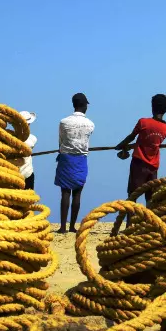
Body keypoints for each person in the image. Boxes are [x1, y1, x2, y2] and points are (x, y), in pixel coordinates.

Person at [115, 94, 166, 212]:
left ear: (152, 107)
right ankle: (148, 224)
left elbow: (131, 137)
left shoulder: (143, 122)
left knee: (132, 195)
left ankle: (129, 226)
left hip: (139, 163)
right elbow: (152, 142)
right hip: (153, 166)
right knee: (150, 197)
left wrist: (121, 145)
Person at [54, 93, 95, 234]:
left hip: (65, 158)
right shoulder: (90, 124)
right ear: (84, 106)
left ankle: (63, 227)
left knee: (65, 192)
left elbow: (61, 141)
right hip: (81, 159)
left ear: (74, 105)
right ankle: (72, 226)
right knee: (77, 193)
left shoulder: (64, 122)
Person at [17, 111, 37, 190]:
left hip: (12, 174)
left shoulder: (10, 138)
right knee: (28, 199)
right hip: (27, 174)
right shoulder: (32, 139)